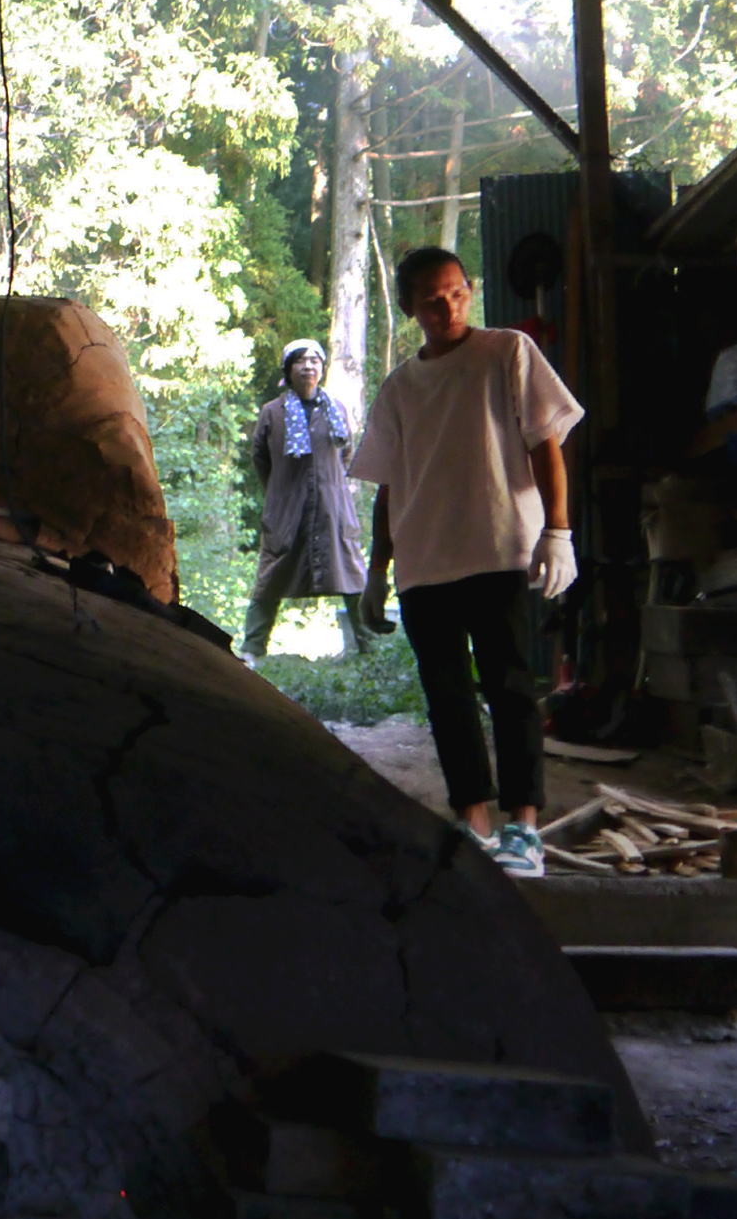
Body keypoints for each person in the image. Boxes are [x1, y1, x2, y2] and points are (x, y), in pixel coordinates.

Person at [347, 245, 582, 881]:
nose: (447, 305)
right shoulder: (401, 386)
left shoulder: (507, 352)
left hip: (499, 546)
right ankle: (473, 824)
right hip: (425, 562)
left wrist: (557, 531)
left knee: (509, 686)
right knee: (447, 695)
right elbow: (390, 485)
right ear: (410, 309)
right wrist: (376, 571)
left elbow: (546, 443)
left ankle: (524, 828)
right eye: (431, 299)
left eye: (455, 291)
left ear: (469, 290)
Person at [241, 338, 370, 666]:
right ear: (289, 369)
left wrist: (330, 486)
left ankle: (370, 650)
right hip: (287, 510)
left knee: (351, 573)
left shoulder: (336, 409)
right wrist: (281, 491)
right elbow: (260, 457)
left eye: (315, 360)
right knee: (271, 575)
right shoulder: (273, 412)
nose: (309, 366)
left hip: (331, 507)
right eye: (301, 361)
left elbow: (346, 454)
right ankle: (252, 650)